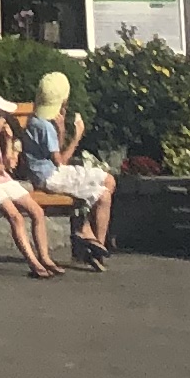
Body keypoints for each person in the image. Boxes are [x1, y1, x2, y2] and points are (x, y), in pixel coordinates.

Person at [0, 93, 66, 278]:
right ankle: (33, 262)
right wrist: (3, 166)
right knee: (16, 217)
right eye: (1, 117)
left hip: (4, 180)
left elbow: (7, 163)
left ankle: (45, 257)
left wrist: (8, 141)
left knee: (37, 211)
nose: (4, 121)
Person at [21, 73, 116, 267]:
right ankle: (91, 239)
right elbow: (61, 162)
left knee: (108, 180)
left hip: (47, 174)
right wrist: (77, 137)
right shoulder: (45, 127)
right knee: (104, 196)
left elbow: (54, 150)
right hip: (51, 177)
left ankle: (91, 239)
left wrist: (61, 128)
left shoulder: (35, 121)